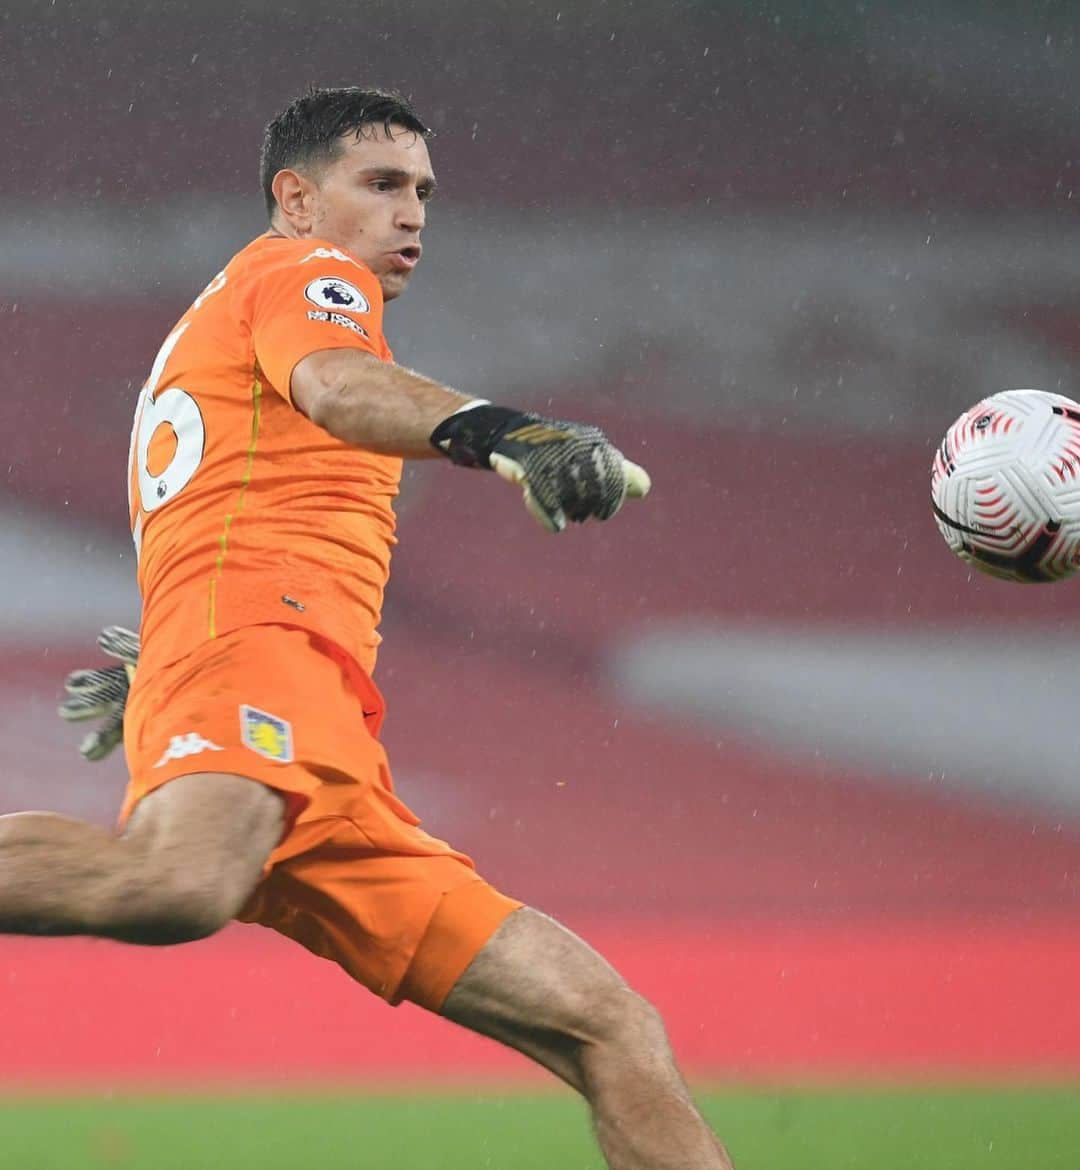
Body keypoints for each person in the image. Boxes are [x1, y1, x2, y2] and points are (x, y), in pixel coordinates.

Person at [10, 87, 733, 1170]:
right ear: (294, 200)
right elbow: (342, 386)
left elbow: (229, 484)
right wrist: (506, 433)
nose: (414, 216)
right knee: (179, 884)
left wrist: (169, 664)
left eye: (425, 194)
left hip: (323, 741)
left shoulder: (239, 310)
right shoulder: (305, 275)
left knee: (608, 1023)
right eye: (382, 185)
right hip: (261, 655)